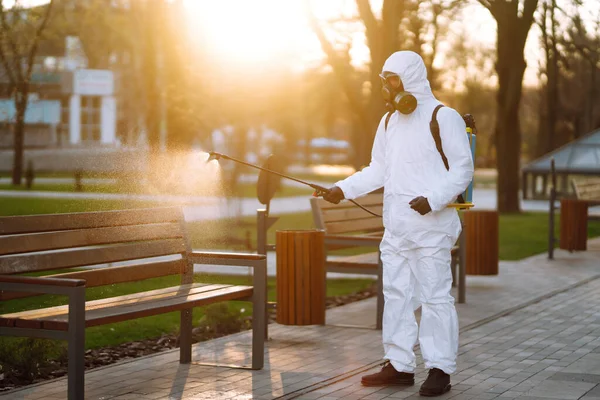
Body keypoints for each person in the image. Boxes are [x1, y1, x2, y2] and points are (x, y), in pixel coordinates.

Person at [322, 51, 474, 397]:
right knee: (396, 296)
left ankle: (440, 368)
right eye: (384, 82)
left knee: (435, 298)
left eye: (392, 80)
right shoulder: (388, 122)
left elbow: (462, 170)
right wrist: (341, 189)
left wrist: (433, 199)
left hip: (432, 228)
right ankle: (399, 365)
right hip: (397, 229)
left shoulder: (443, 117)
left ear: (411, 78)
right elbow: (378, 169)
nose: (387, 89)